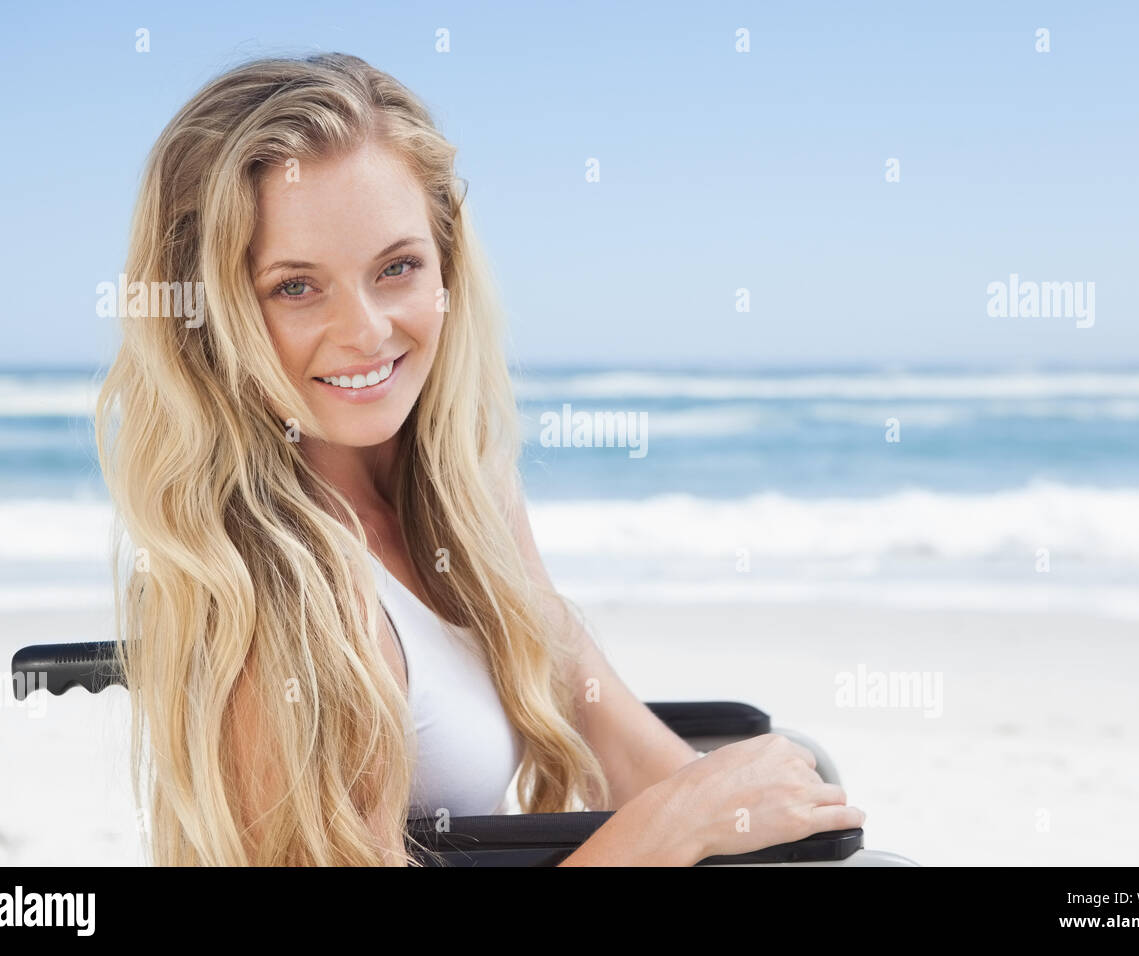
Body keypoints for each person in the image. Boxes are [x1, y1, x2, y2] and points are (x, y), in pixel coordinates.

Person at [94, 51, 864, 866]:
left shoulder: (469, 491)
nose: (365, 331)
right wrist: (667, 831)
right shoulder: (271, 601)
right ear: (208, 313)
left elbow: (634, 756)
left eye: (397, 268)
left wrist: (734, 810)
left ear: (447, 266)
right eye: (295, 286)